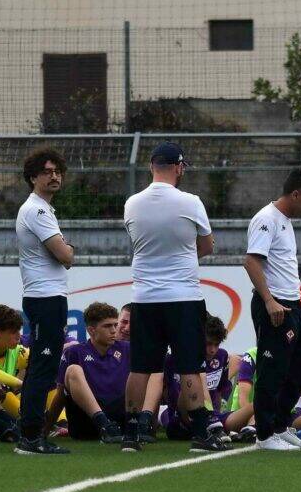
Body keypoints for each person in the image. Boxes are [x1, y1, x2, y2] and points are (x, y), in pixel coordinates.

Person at [121, 141, 222, 453]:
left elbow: (137, 242)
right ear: (179, 167)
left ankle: (130, 434)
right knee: (190, 366)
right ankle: (201, 433)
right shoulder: (190, 202)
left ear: (151, 166)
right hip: (184, 296)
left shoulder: (132, 204)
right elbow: (207, 246)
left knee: (141, 367)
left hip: (145, 296)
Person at [243, 167, 301, 452]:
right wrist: (269, 301)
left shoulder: (285, 221)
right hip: (274, 305)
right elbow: (251, 261)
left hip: (292, 304)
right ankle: (264, 435)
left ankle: (279, 425)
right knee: (271, 369)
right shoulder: (266, 219)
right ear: (296, 194)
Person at [14, 147, 75, 455]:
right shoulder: (37, 210)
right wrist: (69, 250)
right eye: (46, 172)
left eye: (57, 171)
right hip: (45, 297)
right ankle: (30, 436)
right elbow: (64, 255)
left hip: (47, 296)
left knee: (43, 365)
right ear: (32, 177)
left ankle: (30, 433)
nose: (54, 176)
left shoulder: (42, 209)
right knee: (42, 367)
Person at [57, 302, 129, 443]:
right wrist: (46, 429)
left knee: (150, 370)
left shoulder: (128, 349)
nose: (114, 330)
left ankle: (144, 428)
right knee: (73, 370)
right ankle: (104, 425)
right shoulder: (74, 352)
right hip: (86, 427)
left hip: (121, 425)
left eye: (115, 325)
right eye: (107, 326)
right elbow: (60, 396)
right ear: (91, 330)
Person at [161, 315, 235, 446]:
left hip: (215, 415)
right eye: (208, 344)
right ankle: (211, 422)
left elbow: (219, 391)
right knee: (195, 373)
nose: (212, 350)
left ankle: (250, 429)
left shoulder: (222, 356)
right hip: (182, 420)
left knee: (254, 407)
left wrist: (216, 411)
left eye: (216, 344)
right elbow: (166, 391)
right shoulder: (174, 358)